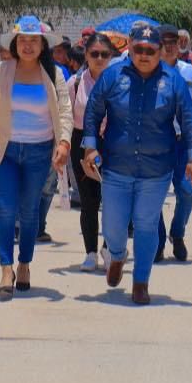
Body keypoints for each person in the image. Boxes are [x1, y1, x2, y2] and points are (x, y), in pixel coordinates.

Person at [82, 24, 192, 305]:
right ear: (129, 49)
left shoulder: (173, 81)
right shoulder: (112, 76)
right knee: (113, 227)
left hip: (156, 168)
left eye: (151, 51)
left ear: (161, 52)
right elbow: (93, 111)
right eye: (139, 49)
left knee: (146, 225)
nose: (144, 55)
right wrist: (89, 148)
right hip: (116, 166)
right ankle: (118, 254)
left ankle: (141, 281)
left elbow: (188, 120)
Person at [0, 16, 73, 300]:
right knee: (6, 210)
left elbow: (64, 112)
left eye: (34, 40)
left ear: (43, 45)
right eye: (23, 40)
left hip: (39, 152)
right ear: (15, 44)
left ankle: (24, 263)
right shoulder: (0, 71)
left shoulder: (55, 75)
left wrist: (64, 142)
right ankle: (6, 268)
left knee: (29, 213)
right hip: (5, 151)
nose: (28, 46)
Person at [155, 24, 192, 262]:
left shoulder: (189, 73)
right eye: (164, 42)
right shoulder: (148, 71)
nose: (169, 47)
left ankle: (177, 234)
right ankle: (157, 240)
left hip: (183, 143)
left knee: (187, 191)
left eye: (174, 42)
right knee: (154, 194)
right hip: (156, 143)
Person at [69, 33, 115, 271]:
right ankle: (90, 252)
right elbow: (66, 118)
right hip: (82, 142)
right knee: (88, 200)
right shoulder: (75, 84)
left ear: (111, 56)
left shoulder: (118, 82)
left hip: (112, 143)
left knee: (112, 200)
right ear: (86, 55)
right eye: (94, 53)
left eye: (104, 54)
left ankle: (109, 248)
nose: (99, 58)